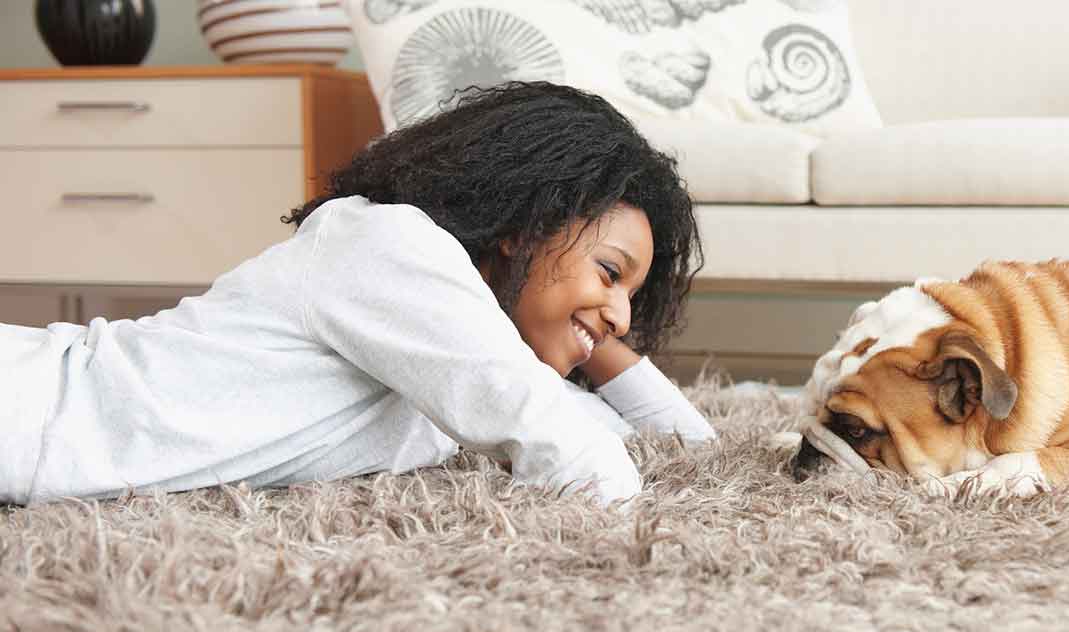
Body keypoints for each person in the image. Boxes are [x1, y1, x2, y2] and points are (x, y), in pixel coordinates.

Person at [0, 81, 715, 507]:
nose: (622, 313)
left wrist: (594, 330)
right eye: (612, 272)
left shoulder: (465, 354)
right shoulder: (388, 246)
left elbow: (685, 449)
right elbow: (582, 466)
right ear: (524, 226)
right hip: (37, 408)